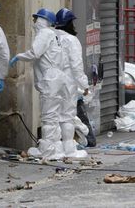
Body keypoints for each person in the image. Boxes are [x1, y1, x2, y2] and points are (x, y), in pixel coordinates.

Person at [10, 8, 66, 160]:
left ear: (42, 20)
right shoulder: (54, 35)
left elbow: (35, 53)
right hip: (56, 78)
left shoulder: (44, 34)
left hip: (50, 80)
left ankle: (47, 151)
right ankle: (54, 148)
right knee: (53, 115)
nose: (34, 23)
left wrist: (18, 56)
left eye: (36, 19)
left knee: (48, 116)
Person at [54, 8, 90, 157]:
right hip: (68, 82)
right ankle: (68, 148)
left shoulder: (50, 37)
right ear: (69, 23)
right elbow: (76, 66)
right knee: (67, 115)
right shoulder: (71, 40)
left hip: (51, 82)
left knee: (52, 115)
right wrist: (85, 85)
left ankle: (54, 148)